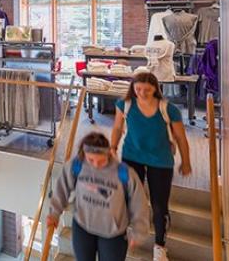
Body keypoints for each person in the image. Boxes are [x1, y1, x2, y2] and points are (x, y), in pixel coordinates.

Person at [110, 72, 192, 261]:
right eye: (138, 89)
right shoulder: (125, 105)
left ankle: (160, 247)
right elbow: (116, 128)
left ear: (155, 89)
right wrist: (113, 147)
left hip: (160, 160)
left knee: (159, 205)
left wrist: (186, 162)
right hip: (132, 156)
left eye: (147, 90)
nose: (142, 93)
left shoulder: (168, 109)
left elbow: (180, 137)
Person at [47, 133, 150, 261]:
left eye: (101, 161)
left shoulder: (124, 172)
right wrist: (54, 213)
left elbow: (139, 203)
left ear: (108, 154)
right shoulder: (76, 165)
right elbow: (61, 189)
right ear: (84, 154)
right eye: (91, 160)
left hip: (113, 234)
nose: (95, 165)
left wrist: (139, 231)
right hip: (83, 228)